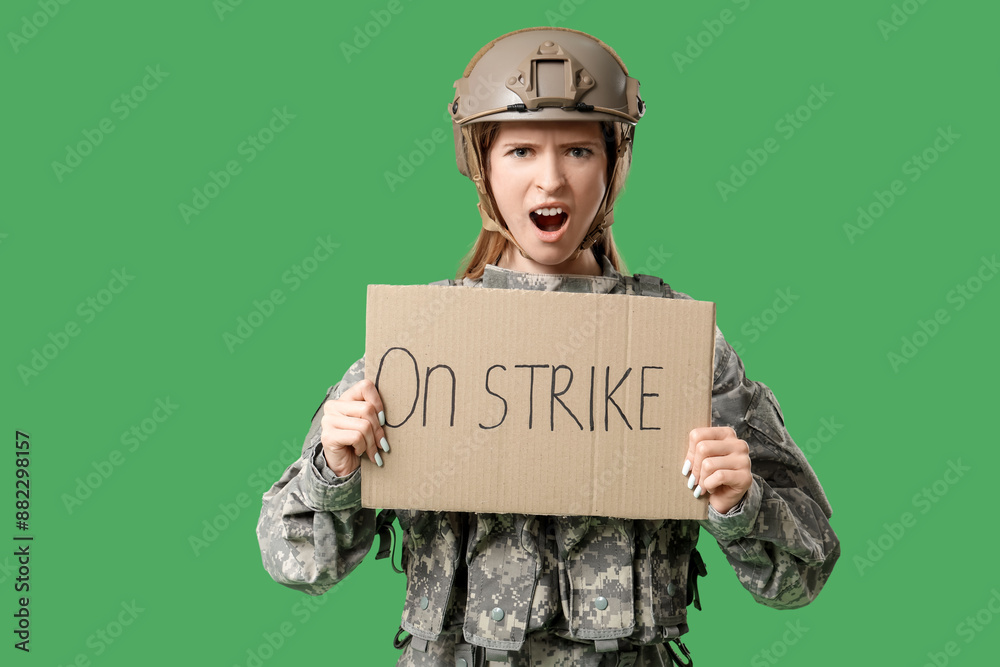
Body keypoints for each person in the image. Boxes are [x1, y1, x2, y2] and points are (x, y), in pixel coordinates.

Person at [256, 27, 839, 666]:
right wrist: (336, 468)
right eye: (522, 150)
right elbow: (296, 562)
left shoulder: (680, 347)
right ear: (481, 165)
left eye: (580, 151)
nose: (551, 181)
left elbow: (801, 576)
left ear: (615, 164)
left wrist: (739, 503)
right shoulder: (420, 338)